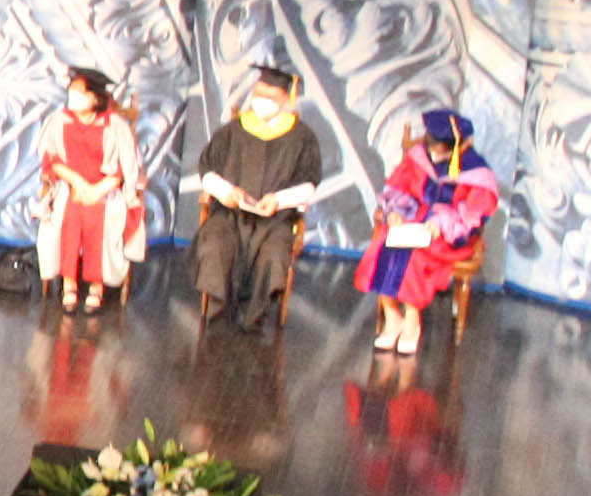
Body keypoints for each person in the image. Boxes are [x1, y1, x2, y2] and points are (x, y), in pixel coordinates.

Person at [188, 61, 332, 332]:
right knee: (216, 245)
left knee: (273, 255)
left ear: (286, 99)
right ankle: (219, 313)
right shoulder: (234, 129)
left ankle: (256, 316)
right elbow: (207, 169)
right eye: (258, 95)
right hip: (229, 215)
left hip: (274, 220)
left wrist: (278, 200)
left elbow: (310, 183)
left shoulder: (301, 137)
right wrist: (226, 192)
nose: (261, 102)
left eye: (270, 98)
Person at [360, 107, 501, 357]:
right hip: (412, 219)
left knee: (415, 255)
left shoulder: (476, 172)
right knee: (383, 244)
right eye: (430, 143)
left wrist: (440, 224)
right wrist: (396, 212)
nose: (432, 150)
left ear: (454, 147)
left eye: (438, 147)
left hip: (448, 235)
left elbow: (472, 216)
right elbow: (398, 187)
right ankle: (393, 318)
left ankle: (412, 322)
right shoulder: (419, 156)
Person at [35, 64, 140, 315]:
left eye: (79, 92)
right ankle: (69, 283)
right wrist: (78, 184)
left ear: (94, 97)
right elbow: (50, 160)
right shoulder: (59, 121)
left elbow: (126, 168)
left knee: (98, 218)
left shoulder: (115, 125)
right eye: (71, 91)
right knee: (69, 214)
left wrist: (98, 190)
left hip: (106, 189)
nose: (73, 97)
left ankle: (96, 286)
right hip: (68, 186)